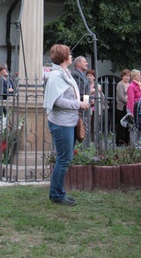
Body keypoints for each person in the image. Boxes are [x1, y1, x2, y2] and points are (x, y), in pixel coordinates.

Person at [43, 44, 90, 206]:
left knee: (64, 158)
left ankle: (56, 193)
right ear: (64, 57)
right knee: (63, 159)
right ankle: (57, 195)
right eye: (69, 54)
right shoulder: (56, 76)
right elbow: (57, 101)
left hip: (68, 122)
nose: (71, 56)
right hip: (61, 123)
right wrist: (79, 104)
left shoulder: (65, 74)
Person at [87, 69, 106, 142]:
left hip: (97, 106)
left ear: (94, 77)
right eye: (88, 75)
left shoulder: (98, 85)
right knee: (88, 123)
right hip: (89, 106)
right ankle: (88, 139)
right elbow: (86, 93)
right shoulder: (86, 85)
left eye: (91, 75)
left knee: (95, 124)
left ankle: (94, 139)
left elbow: (102, 97)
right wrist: (95, 91)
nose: (89, 77)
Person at [127, 69, 141, 146]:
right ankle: (133, 144)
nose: (140, 76)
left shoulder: (140, 85)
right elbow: (131, 100)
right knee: (133, 126)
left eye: (140, 75)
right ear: (133, 77)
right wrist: (132, 112)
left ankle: (137, 142)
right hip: (133, 108)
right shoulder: (131, 86)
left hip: (140, 108)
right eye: (138, 75)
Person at [115, 69, 131, 146]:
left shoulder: (130, 85)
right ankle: (120, 141)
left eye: (128, 76)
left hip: (129, 107)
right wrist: (128, 102)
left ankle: (127, 141)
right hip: (122, 107)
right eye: (126, 76)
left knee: (128, 124)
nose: (127, 78)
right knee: (121, 124)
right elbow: (121, 97)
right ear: (122, 76)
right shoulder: (120, 84)